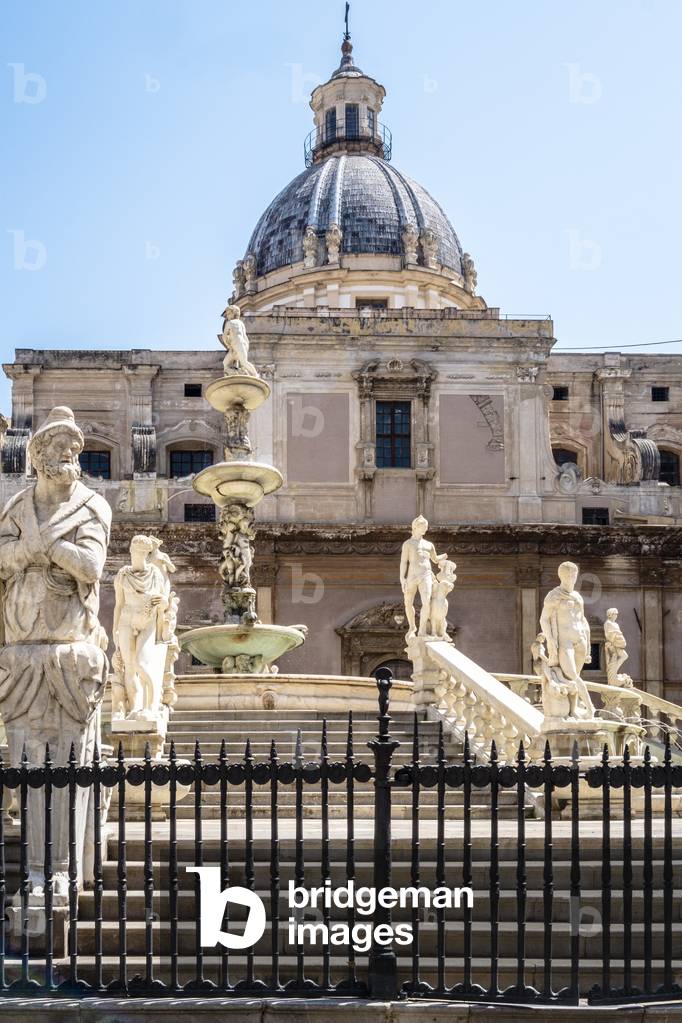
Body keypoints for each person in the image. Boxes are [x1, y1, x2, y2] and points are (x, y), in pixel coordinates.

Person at [0, 406, 111, 899]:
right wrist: (35, 549)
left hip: (71, 653)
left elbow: (92, 566)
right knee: (28, 768)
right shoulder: (15, 508)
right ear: (37, 455)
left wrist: (44, 547)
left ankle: (61, 870)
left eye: (72, 448)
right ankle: (37, 870)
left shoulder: (92, 507)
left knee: (68, 767)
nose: (65, 454)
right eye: (55, 447)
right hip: (20, 650)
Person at [539, 561, 594, 719]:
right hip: (565, 642)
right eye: (567, 575)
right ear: (560, 576)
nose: (571, 578)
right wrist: (550, 640)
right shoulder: (554, 595)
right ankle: (590, 708)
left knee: (572, 677)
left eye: (574, 575)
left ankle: (573, 709)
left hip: (580, 640)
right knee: (573, 676)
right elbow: (544, 619)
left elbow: (583, 620)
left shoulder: (577, 597)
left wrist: (589, 644)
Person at [400, 515, 447, 638]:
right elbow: (404, 562)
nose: (425, 529)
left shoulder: (429, 544)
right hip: (411, 575)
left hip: (425, 574)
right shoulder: (408, 544)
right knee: (408, 603)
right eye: (423, 527)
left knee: (426, 602)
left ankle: (421, 630)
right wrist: (402, 578)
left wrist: (444, 556)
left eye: (426, 527)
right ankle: (412, 627)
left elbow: (435, 559)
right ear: (416, 527)